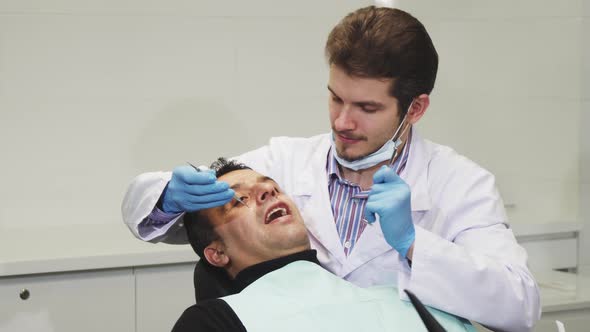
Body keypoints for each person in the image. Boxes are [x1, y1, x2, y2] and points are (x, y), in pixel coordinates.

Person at [122, 6, 540, 331]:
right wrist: (167, 197)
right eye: (336, 98)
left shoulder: (460, 184)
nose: (342, 121)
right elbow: (202, 218)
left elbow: (519, 306)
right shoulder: (286, 162)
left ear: (415, 108)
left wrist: (414, 244)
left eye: (366, 108)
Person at [172, 158, 475, 332]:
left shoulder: (406, 302)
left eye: (272, 186)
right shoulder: (213, 323)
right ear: (217, 253)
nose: (267, 190)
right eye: (240, 200)